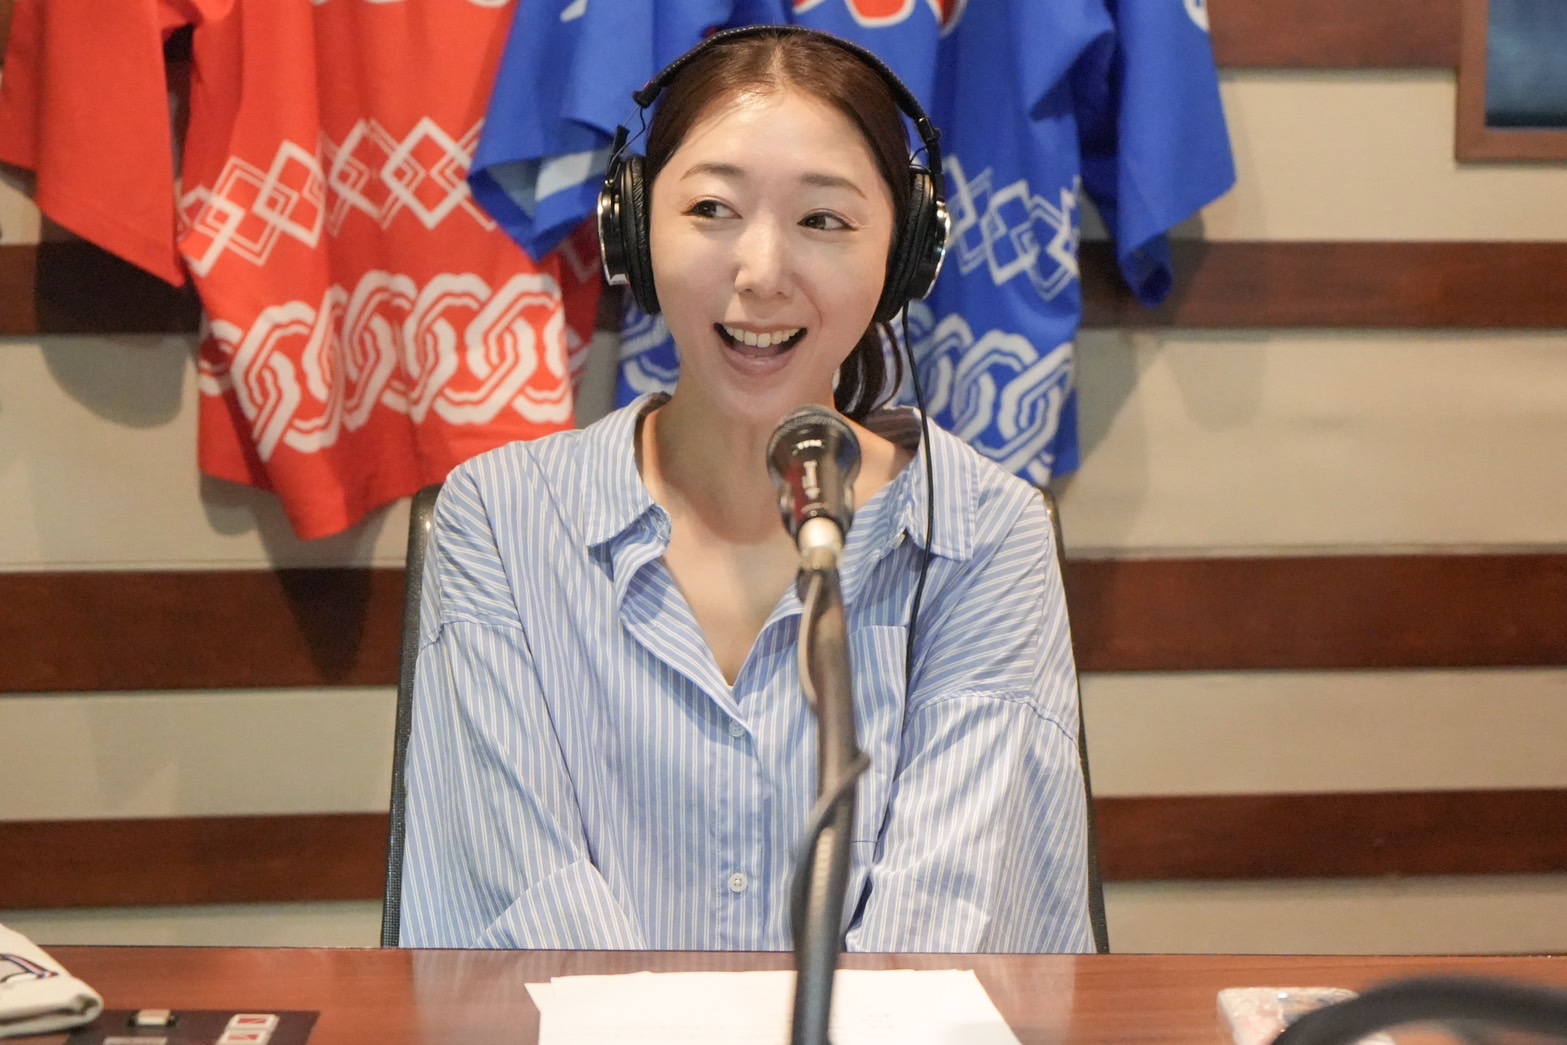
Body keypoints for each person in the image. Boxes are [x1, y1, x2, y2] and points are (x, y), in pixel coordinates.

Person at [400, 25, 1093, 953]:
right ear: (631, 227)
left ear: (905, 256)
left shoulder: (982, 535)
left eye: (823, 221)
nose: (761, 274)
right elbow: (514, 905)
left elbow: (945, 930)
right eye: (711, 209)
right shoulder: (498, 519)